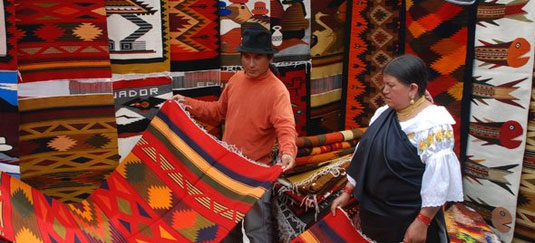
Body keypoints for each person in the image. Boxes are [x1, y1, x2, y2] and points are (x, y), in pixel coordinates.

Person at [172, 28, 297, 243]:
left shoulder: (277, 91)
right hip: (228, 169)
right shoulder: (236, 80)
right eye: (246, 56)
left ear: (269, 58)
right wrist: (188, 104)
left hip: (255, 173)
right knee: (226, 229)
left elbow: (286, 127)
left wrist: (288, 152)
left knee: (259, 233)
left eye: (257, 57)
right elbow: (218, 112)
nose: (251, 63)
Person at [330, 54, 463, 243]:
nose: (384, 91)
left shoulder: (433, 126)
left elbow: (438, 181)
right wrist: (347, 192)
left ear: (412, 89)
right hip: (375, 216)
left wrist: (422, 222)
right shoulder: (383, 114)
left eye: (391, 86)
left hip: (407, 219)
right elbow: (365, 154)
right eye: (383, 84)